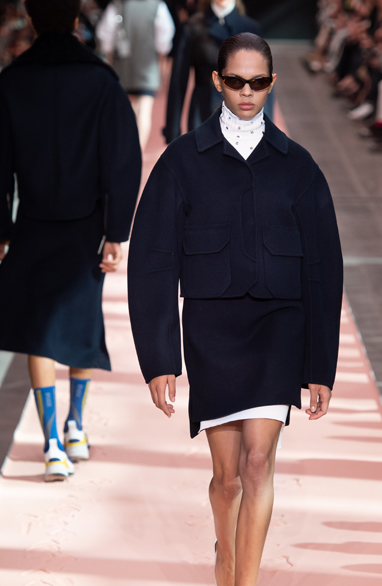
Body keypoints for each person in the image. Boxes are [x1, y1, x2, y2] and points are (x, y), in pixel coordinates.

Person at [128, 33, 343, 586]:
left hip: (279, 326)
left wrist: (319, 366)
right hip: (213, 328)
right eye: (236, 81)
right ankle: (227, 549)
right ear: (218, 81)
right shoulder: (183, 161)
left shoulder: (299, 167)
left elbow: (324, 268)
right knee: (225, 479)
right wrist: (159, 356)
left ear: (271, 83)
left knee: (256, 463)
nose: (247, 93)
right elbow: (152, 260)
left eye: (259, 83)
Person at [0, 0, 142, 481]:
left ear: (32, 19)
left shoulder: (12, 80)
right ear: (77, 20)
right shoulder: (101, 81)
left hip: (34, 218)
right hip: (87, 224)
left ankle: (52, 444)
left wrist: (1, 228)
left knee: (39, 328)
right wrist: (117, 231)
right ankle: (75, 425)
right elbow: (122, 160)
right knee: (82, 321)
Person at [163, 0, 273, 144]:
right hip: (203, 111)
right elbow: (178, 81)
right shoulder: (192, 27)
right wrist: (173, 132)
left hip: (244, 114)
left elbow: (263, 81)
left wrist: (268, 133)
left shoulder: (251, 28)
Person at [96, 0, 175, 151]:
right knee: (143, 111)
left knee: (125, 113)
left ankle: (127, 150)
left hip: (122, 68)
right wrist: (161, 62)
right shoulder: (157, 6)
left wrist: (110, 63)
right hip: (148, 67)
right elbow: (164, 37)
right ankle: (138, 151)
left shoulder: (117, 6)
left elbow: (105, 37)